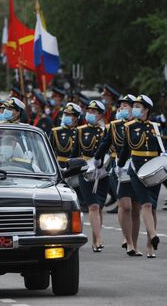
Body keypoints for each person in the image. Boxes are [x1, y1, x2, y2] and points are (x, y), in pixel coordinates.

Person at [116, 95, 164, 258]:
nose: (134, 108)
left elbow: (162, 150)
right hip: (136, 171)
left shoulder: (156, 127)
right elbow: (124, 150)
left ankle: (150, 246)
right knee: (146, 204)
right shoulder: (128, 127)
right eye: (134, 105)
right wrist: (119, 165)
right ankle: (153, 235)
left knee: (154, 207)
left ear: (146, 109)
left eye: (137, 106)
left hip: (154, 170)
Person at [94, 94, 142, 256]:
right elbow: (104, 143)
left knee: (136, 207)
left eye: (126, 106)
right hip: (118, 167)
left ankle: (134, 244)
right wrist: (97, 159)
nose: (122, 109)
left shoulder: (140, 125)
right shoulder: (114, 126)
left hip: (136, 167)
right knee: (125, 205)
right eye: (120, 106)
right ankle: (127, 240)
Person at [71, 100, 108, 252]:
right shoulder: (80, 130)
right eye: (89, 111)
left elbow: (110, 151)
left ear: (100, 115)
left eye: (94, 112)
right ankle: (99, 239)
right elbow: (74, 154)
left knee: (98, 207)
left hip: (102, 171)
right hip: (86, 171)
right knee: (92, 206)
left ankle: (95, 239)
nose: (90, 114)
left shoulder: (106, 130)